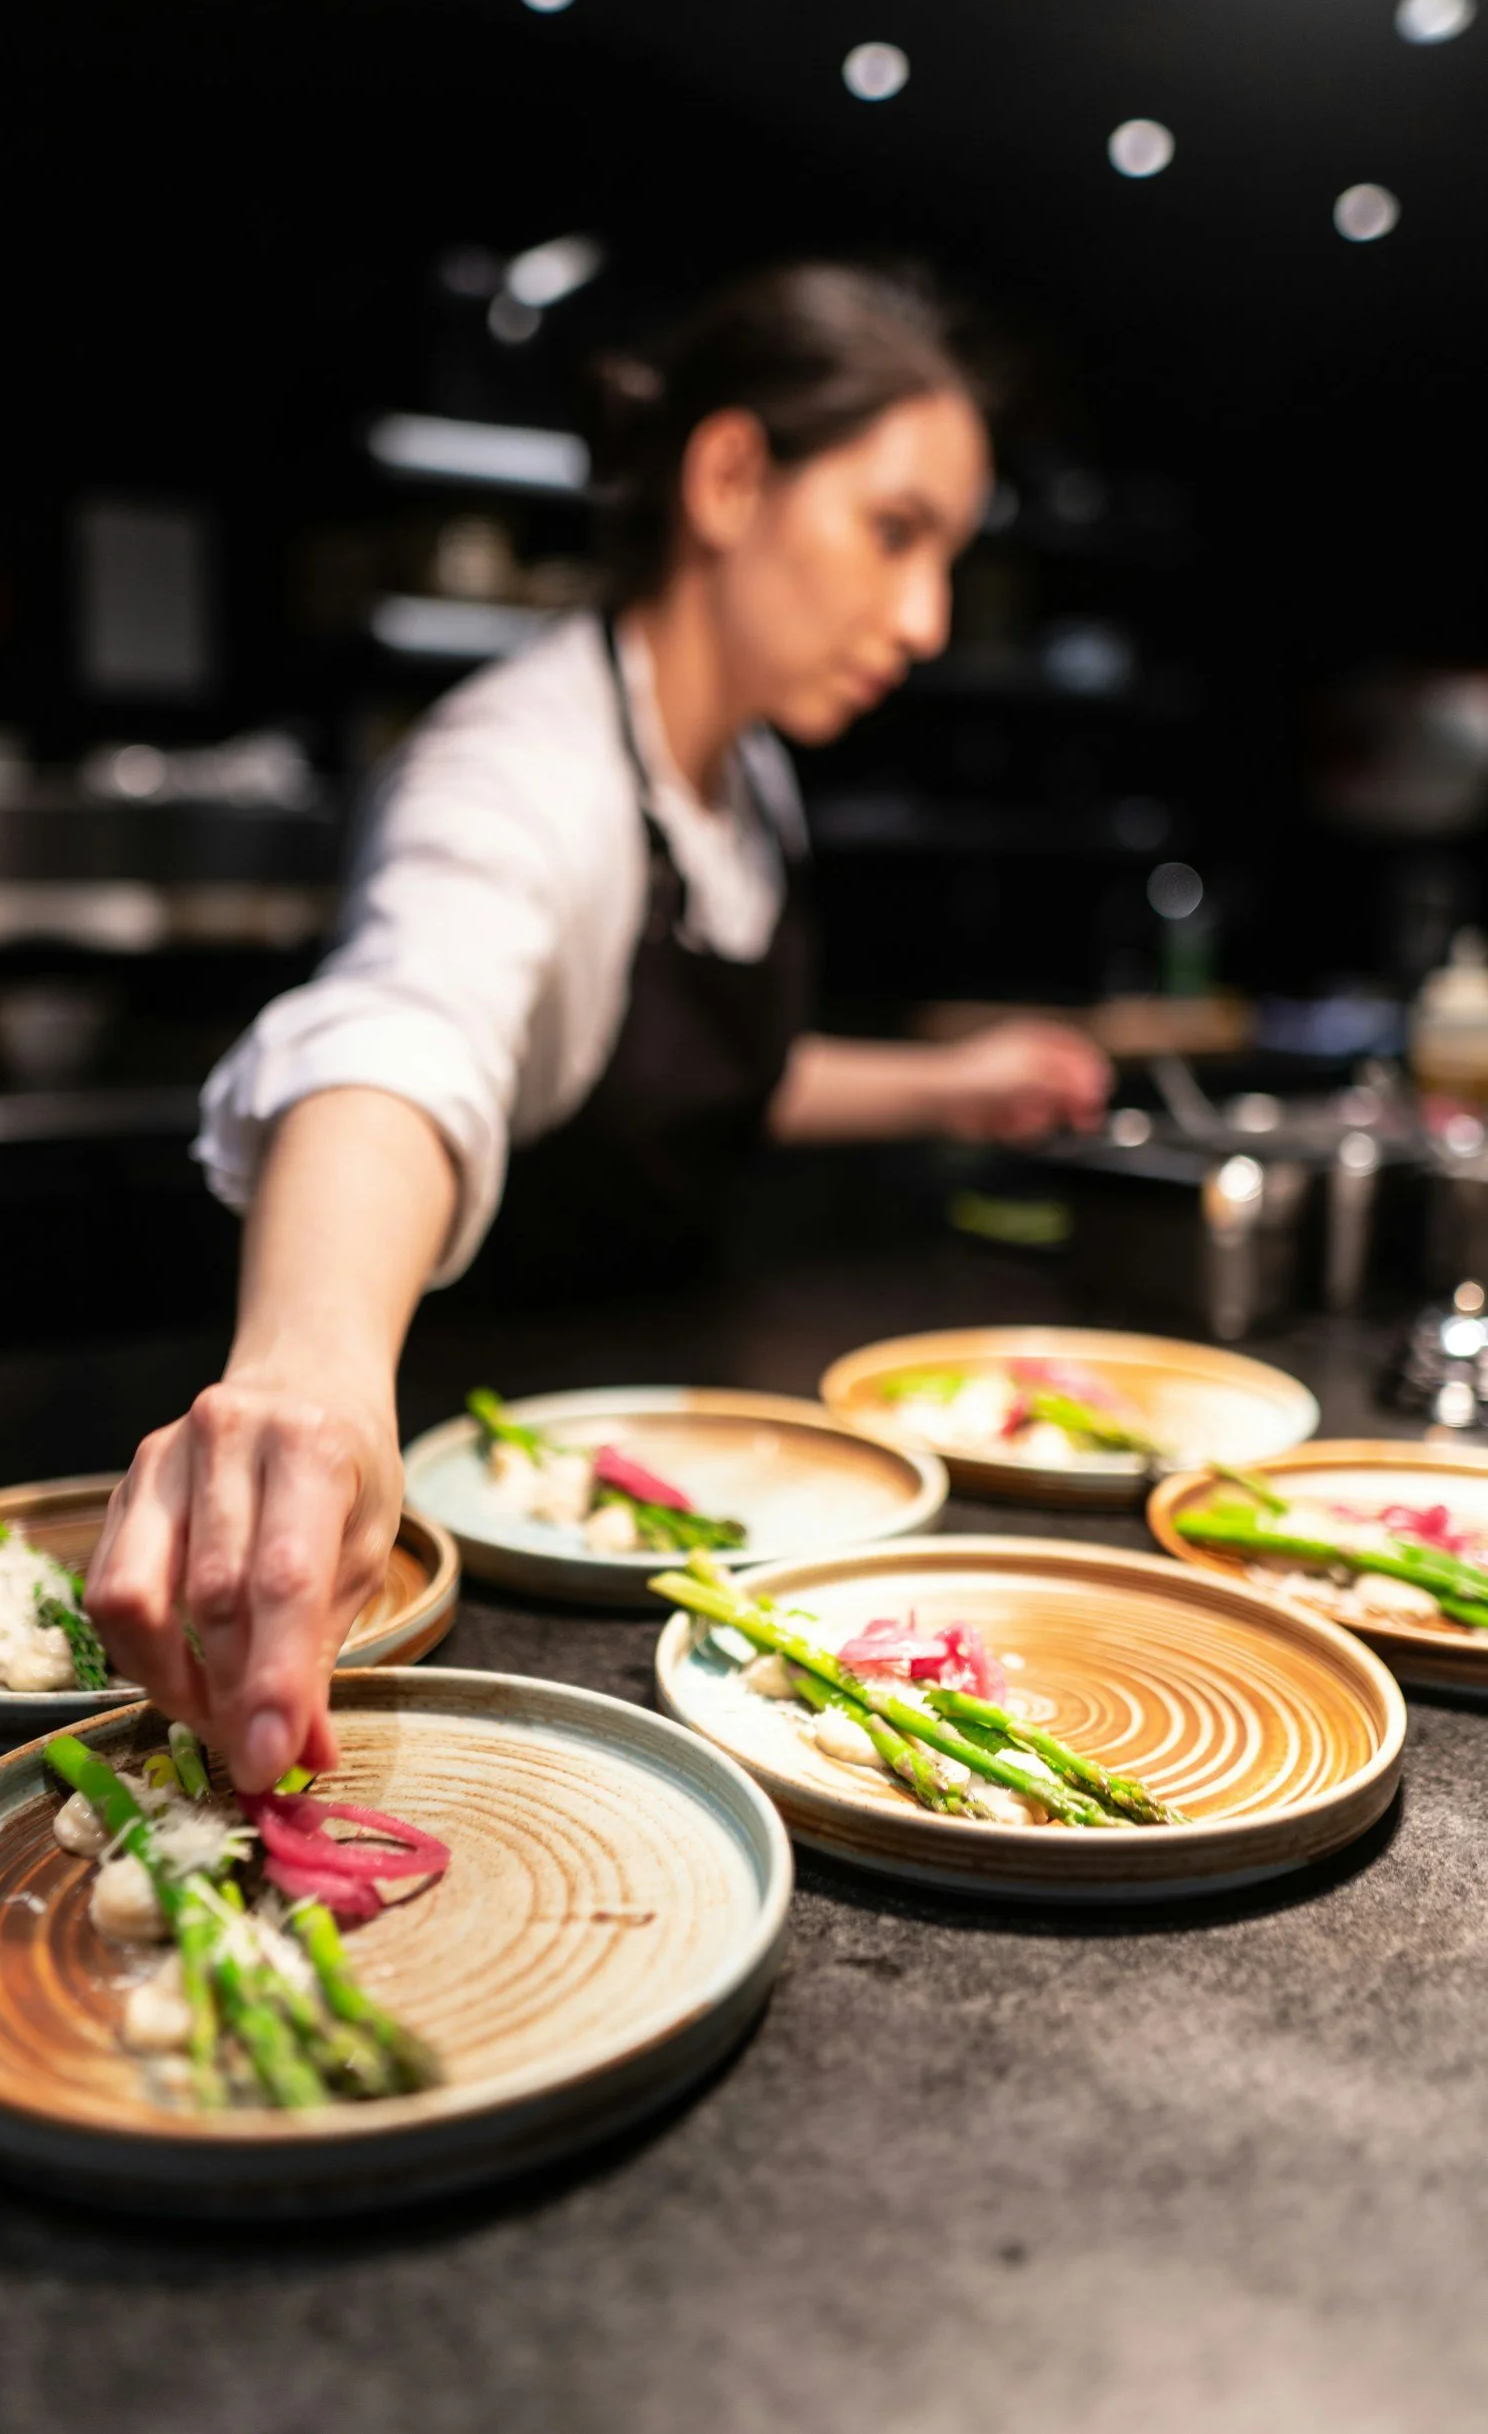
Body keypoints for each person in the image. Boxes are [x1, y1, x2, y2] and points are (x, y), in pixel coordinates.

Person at [85, 262, 1111, 1789]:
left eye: (949, 556)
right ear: (728, 475)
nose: (925, 617)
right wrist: (310, 1380)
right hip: (456, 1514)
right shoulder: (514, 768)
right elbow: (405, 1028)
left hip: (639, 1475)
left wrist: (948, 1085)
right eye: (895, 533)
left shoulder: (749, 777)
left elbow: (694, 1081)